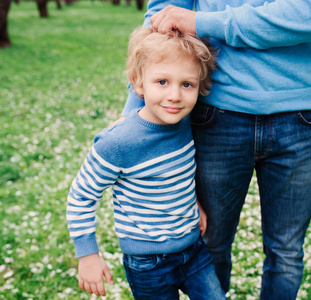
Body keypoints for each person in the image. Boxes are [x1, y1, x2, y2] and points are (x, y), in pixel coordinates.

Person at [121, 1, 311, 299]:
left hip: (299, 115)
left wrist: (203, 23)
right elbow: (164, 16)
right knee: (210, 240)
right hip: (218, 110)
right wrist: (136, 108)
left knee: (286, 253)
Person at [66, 26, 224, 299]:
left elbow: (176, 175)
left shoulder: (184, 121)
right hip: (149, 264)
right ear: (138, 83)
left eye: (187, 84)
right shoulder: (118, 143)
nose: (175, 95)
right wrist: (88, 254)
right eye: (162, 82)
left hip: (194, 249)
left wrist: (192, 202)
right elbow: (81, 195)